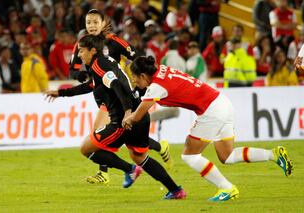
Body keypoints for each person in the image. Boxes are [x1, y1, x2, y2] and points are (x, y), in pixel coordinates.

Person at [122, 55, 293, 202]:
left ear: (144, 75)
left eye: (135, 77)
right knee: (227, 156)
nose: (134, 81)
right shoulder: (161, 70)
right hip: (222, 101)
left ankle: (226, 188)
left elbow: (139, 115)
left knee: (189, 155)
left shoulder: (156, 87)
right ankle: (273, 154)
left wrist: (127, 118)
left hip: (211, 110)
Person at [44, 35, 186, 199]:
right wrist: (60, 93)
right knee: (140, 157)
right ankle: (176, 191)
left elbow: (116, 85)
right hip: (139, 115)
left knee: (87, 148)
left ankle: (130, 170)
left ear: (93, 50)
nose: (79, 55)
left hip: (123, 121)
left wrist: (126, 113)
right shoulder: (102, 64)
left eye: (82, 51)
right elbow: (90, 86)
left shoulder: (99, 66)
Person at [69, 9, 172, 184]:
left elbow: (138, 57)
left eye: (95, 22)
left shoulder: (114, 42)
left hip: (120, 95)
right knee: (121, 135)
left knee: (101, 134)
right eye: (88, 22)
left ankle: (105, 173)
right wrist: (79, 75)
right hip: (104, 95)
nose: (92, 26)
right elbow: (73, 68)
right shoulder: (83, 43)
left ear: (103, 23)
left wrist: (140, 83)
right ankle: (159, 146)